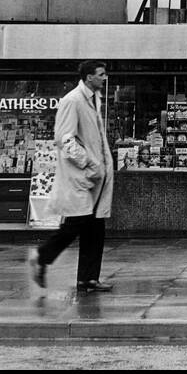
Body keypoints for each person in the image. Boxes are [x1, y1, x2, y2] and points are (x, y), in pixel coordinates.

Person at [29, 61, 115, 294]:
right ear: (88, 77)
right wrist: (89, 163)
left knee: (95, 229)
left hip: (93, 179)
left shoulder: (92, 100)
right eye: (101, 74)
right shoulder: (72, 101)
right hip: (80, 178)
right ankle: (42, 257)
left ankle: (88, 280)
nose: (105, 78)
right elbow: (64, 139)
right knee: (75, 226)